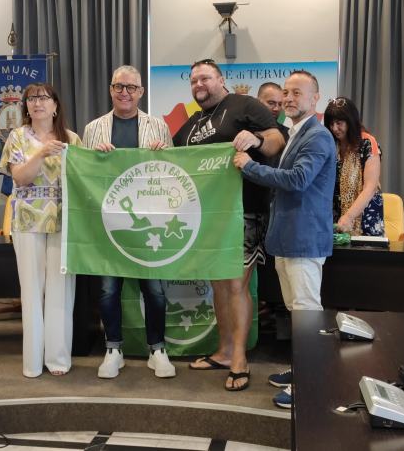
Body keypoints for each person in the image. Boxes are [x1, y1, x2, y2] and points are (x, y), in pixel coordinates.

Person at [173, 59, 286, 392]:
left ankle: (239, 359)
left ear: (221, 80)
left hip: (244, 212)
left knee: (236, 286)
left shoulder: (244, 105)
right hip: (207, 218)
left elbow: (275, 139)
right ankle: (223, 351)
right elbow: (173, 157)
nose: (198, 85)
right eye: (193, 80)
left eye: (205, 78)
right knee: (220, 286)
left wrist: (255, 140)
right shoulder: (193, 123)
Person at [233, 70, 336, 408]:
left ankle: (311, 382)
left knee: (308, 314)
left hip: (304, 241)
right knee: (297, 311)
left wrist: (249, 167)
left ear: (315, 98)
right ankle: (301, 369)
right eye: (286, 93)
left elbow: (297, 179)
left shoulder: (318, 137)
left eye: (297, 93)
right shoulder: (295, 133)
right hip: (289, 239)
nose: (290, 99)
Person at [82, 65, 176, 379]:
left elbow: (173, 173)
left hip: (149, 219)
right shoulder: (94, 128)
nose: (125, 92)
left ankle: (157, 349)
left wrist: (163, 155)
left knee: (155, 290)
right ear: (110, 89)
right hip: (109, 221)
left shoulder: (158, 126)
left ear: (141, 92)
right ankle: (113, 349)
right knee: (109, 290)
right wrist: (96, 157)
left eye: (131, 87)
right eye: (119, 86)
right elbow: (83, 174)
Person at [0, 82, 81, 378]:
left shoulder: (71, 138)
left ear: (56, 105)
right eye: (32, 99)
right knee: (32, 290)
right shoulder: (17, 137)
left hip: (63, 221)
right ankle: (32, 361)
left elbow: (84, 177)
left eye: (44, 98)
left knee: (61, 291)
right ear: (26, 107)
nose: (38, 103)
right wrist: (41, 154)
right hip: (27, 221)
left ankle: (57, 358)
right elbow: (20, 178)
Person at [325, 97, 384, 236]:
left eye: (339, 123)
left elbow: (371, 187)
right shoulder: (332, 145)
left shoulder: (367, 143)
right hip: (337, 216)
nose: (334, 128)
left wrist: (349, 216)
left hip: (364, 216)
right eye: (331, 124)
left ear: (351, 121)